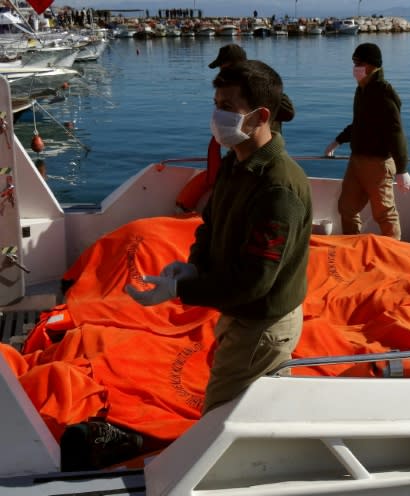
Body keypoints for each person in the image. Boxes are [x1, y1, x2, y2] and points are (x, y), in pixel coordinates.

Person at [126, 60, 313, 415]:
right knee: (240, 409)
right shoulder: (234, 163)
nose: (217, 115)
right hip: (239, 313)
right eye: (216, 105)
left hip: (261, 324)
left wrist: (182, 291)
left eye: (227, 107)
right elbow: (210, 225)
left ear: (260, 117)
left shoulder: (277, 188)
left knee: (220, 414)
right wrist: (194, 268)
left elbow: (254, 282)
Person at [324, 42, 410, 240]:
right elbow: (359, 123)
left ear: (372, 65)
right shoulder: (361, 90)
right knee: (346, 207)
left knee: (384, 214)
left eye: (358, 63)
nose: (355, 68)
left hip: (378, 164)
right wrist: (338, 141)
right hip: (356, 161)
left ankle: (392, 254)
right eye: (354, 62)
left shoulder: (384, 92)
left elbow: (396, 132)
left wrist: (402, 169)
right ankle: (353, 245)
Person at [209, 43, 295, 134]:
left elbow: (289, 112)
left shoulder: (259, 83)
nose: (221, 73)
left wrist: (254, 116)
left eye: (225, 69)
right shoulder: (229, 88)